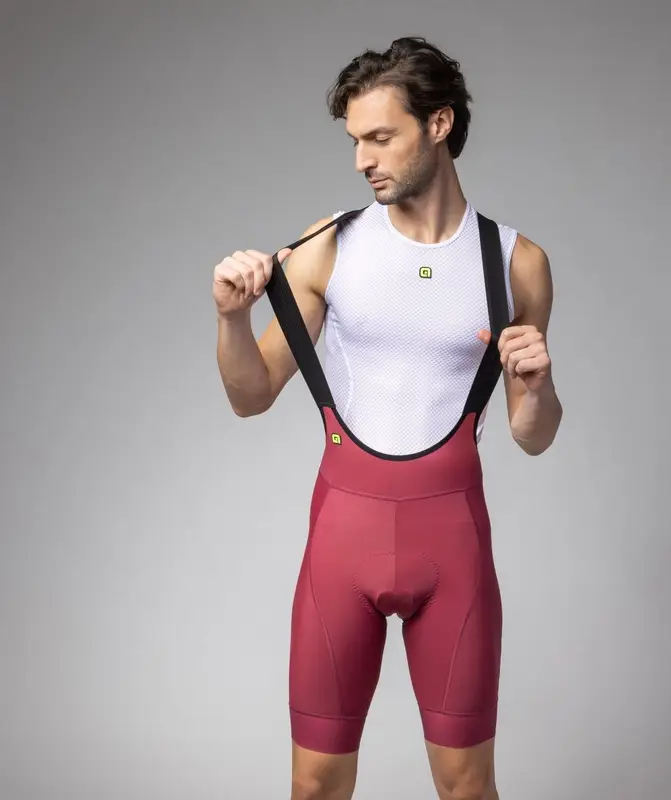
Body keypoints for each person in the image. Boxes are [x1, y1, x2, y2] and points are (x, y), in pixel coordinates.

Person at [213, 36, 563, 800]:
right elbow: (250, 395)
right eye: (354, 141)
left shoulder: (516, 262)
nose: (361, 160)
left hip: (453, 551)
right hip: (342, 546)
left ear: (438, 124)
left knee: (467, 788)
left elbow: (531, 435)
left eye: (379, 137)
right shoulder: (326, 248)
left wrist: (536, 387)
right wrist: (232, 319)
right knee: (315, 787)